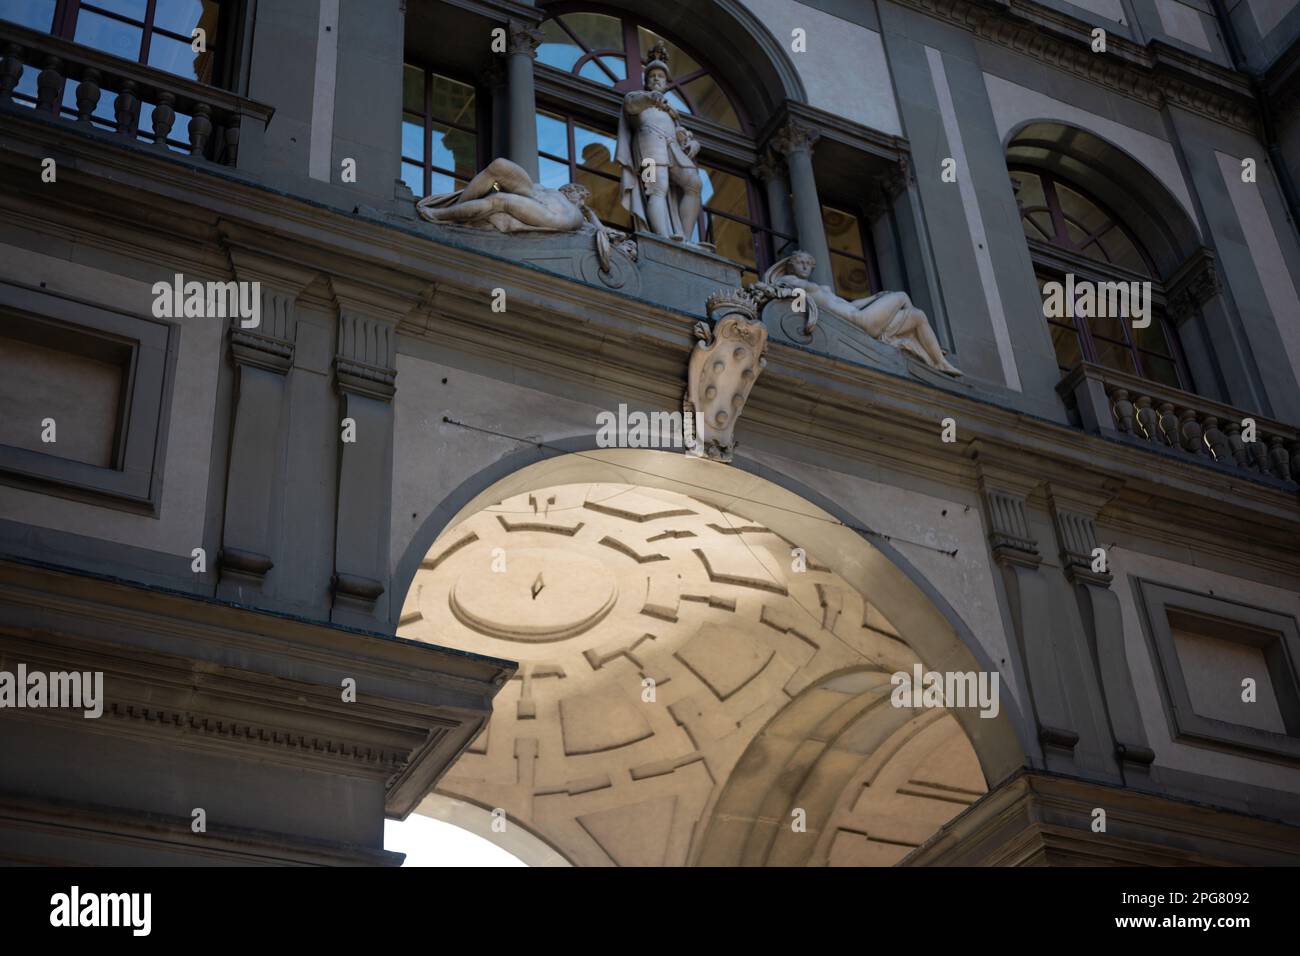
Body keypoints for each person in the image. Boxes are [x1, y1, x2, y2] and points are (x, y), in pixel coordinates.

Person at [758, 251, 962, 375]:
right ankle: (907, 343)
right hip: (861, 323)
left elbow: (852, 305)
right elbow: (777, 288)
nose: (804, 266)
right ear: (789, 264)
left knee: (917, 316)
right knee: (900, 296)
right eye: (800, 262)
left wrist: (877, 297)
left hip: (859, 316)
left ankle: (939, 362)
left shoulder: (816, 287)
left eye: (808, 263)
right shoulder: (790, 281)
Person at [616, 42, 703, 241]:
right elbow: (631, 106)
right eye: (652, 76)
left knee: (694, 184)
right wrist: (650, 98)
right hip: (646, 150)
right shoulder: (637, 97)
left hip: (672, 148)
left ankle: (686, 240)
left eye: (661, 77)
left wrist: (692, 142)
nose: (656, 79)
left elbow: (681, 133)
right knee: (656, 188)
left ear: (666, 82)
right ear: (646, 81)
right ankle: (662, 238)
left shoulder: (670, 110)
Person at [417, 158, 589, 233]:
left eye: (578, 193)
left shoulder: (578, 214)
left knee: (499, 201)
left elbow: (601, 231)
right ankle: (457, 209)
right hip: (532, 196)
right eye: (571, 189)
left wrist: (592, 215)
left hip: (546, 215)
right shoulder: (550, 190)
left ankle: (441, 215)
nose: (571, 192)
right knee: (499, 165)